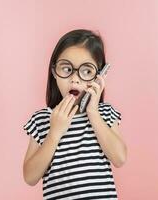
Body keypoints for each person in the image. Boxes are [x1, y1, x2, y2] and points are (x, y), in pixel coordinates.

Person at [23, 29, 127, 199]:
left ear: (98, 76)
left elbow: (120, 158)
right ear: (54, 72)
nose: (75, 79)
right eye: (66, 69)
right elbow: (30, 177)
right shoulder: (41, 120)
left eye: (86, 71)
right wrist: (54, 133)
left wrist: (93, 113)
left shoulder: (105, 114)